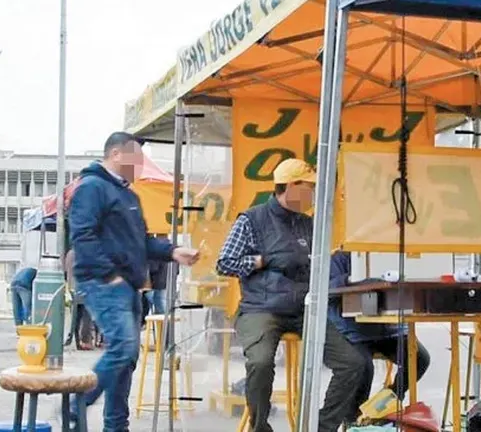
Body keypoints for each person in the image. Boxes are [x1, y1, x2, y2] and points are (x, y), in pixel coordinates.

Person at [216, 158, 367, 432]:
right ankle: (260, 426)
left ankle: (323, 427)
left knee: (353, 363)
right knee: (261, 363)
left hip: (303, 309)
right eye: (309, 187)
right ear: (289, 186)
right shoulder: (251, 219)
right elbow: (224, 262)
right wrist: (261, 261)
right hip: (260, 308)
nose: (313, 194)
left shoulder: (309, 225)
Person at [68, 131, 200, 432]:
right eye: (136, 158)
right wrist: (110, 275)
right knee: (123, 348)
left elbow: (140, 243)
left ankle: (116, 426)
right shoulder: (91, 188)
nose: (141, 165)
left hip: (129, 286)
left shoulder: (128, 195)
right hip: (105, 283)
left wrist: (173, 251)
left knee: (127, 361)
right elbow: (83, 236)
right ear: (116, 154)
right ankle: (77, 401)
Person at [328, 249, 430, 416]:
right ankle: (355, 418)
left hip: (390, 330)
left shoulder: (392, 252)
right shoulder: (340, 257)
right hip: (353, 332)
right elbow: (326, 290)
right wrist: (348, 280)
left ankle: (387, 401)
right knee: (363, 367)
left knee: (419, 358)